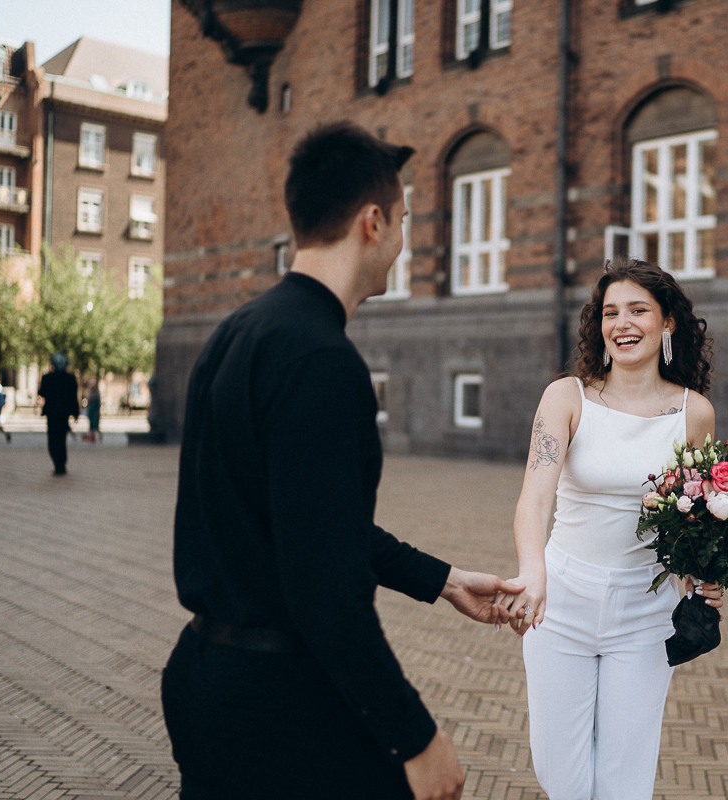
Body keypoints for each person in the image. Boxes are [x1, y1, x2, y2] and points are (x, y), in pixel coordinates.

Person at [161, 122, 524, 800]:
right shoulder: (323, 362)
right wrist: (416, 738)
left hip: (205, 681)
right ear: (372, 222)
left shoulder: (237, 333)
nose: (403, 243)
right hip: (283, 712)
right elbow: (325, 590)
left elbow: (308, 521)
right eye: (405, 223)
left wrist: (441, 579)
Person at [501, 257, 725, 800]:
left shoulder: (693, 414)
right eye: (610, 312)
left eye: (638, 310)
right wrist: (533, 573)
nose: (622, 323)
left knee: (624, 783)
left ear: (668, 321)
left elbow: (691, 517)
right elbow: (535, 496)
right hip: (560, 601)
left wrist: (701, 577)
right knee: (564, 778)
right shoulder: (567, 398)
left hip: (643, 611)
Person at [37, 353, 79, 474]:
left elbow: (41, 392)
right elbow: (73, 397)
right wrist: (75, 413)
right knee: (61, 439)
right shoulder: (70, 379)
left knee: (53, 440)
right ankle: (61, 464)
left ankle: (58, 464)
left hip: (52, 414)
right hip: (63, 414)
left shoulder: (47, 378)